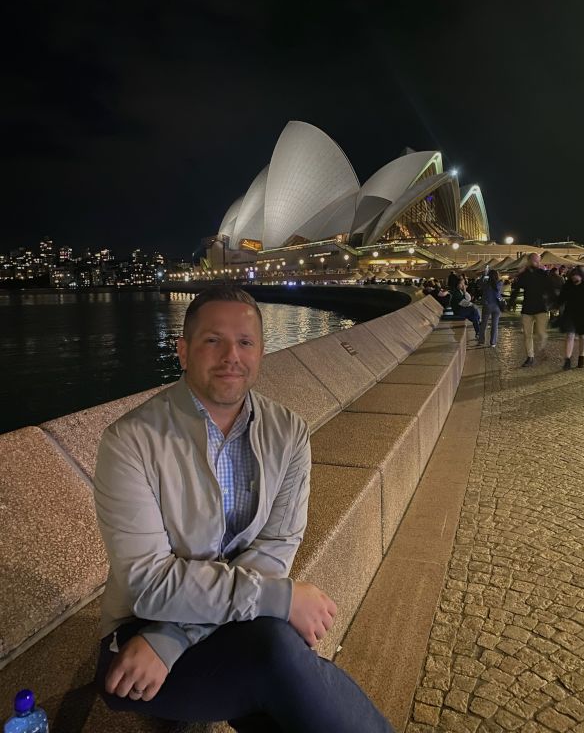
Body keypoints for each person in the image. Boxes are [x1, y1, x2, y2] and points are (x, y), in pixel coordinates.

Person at [94, 286, 395, 732]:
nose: (230, 355)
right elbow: (149, 583)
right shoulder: (130, 442)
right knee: (279, 659)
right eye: (213, 340)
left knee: (278, 672)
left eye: (245, 342)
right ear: (183, 351)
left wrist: (176, 636)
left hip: (176, 636)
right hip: (140, 637)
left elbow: (277, 544)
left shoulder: (288, 432)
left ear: (262, 352)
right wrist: (282, 598)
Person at [509, 253, 553, 367]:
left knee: (541, 333)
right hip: (527, 309)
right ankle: (530, 357)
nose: (536, 262)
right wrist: (511, 302)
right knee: (527, 335)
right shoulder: (524, 275)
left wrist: (553, 303)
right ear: (529, 261)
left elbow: (550, 288)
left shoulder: (543, 274)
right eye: (533, 260)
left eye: (537, 260)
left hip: (541, 308)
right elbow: (517, 288)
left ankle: (542, 348)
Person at [557, 266, 584, 369]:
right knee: (570, 335)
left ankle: (581, 358)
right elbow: (563, 296)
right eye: (572, 278)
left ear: (581, 276)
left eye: (575, 278)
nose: (574, 280)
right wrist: (556, 305)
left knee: (582, 336)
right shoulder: (569, 284)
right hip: (570, 313)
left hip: (583, 313)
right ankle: (567, 360)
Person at [478, 269, 503, 347]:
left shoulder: (486, 283)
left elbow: (479, 283)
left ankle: (481, 341)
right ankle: (493, 343)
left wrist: (483, 275)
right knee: (495, 325)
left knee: (484, 324)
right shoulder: (500, 283)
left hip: (487, 305)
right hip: (497, 306)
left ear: (489, 275)